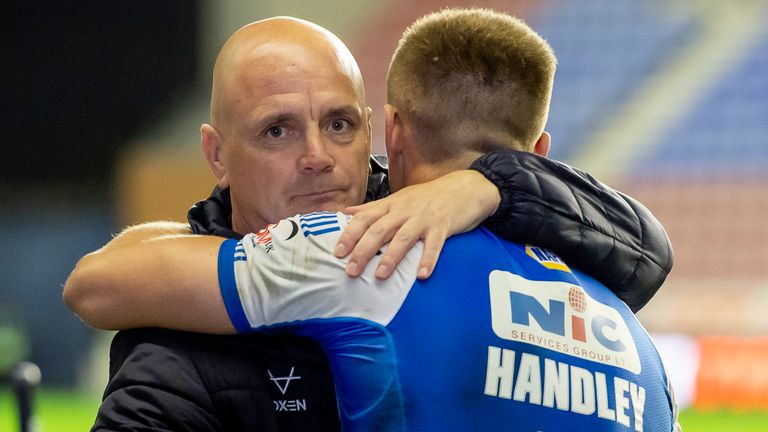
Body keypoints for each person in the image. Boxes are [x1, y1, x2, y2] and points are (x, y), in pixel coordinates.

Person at [65, 13, 675, 431]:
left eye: (339, 125)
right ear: (217, 155)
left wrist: (487, 186)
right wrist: (493, 181)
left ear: (386, 132)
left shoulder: (360, 253)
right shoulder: (633, 337)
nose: (317, 157)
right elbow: (96, 283)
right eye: (277, 130)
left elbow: (96, 285)